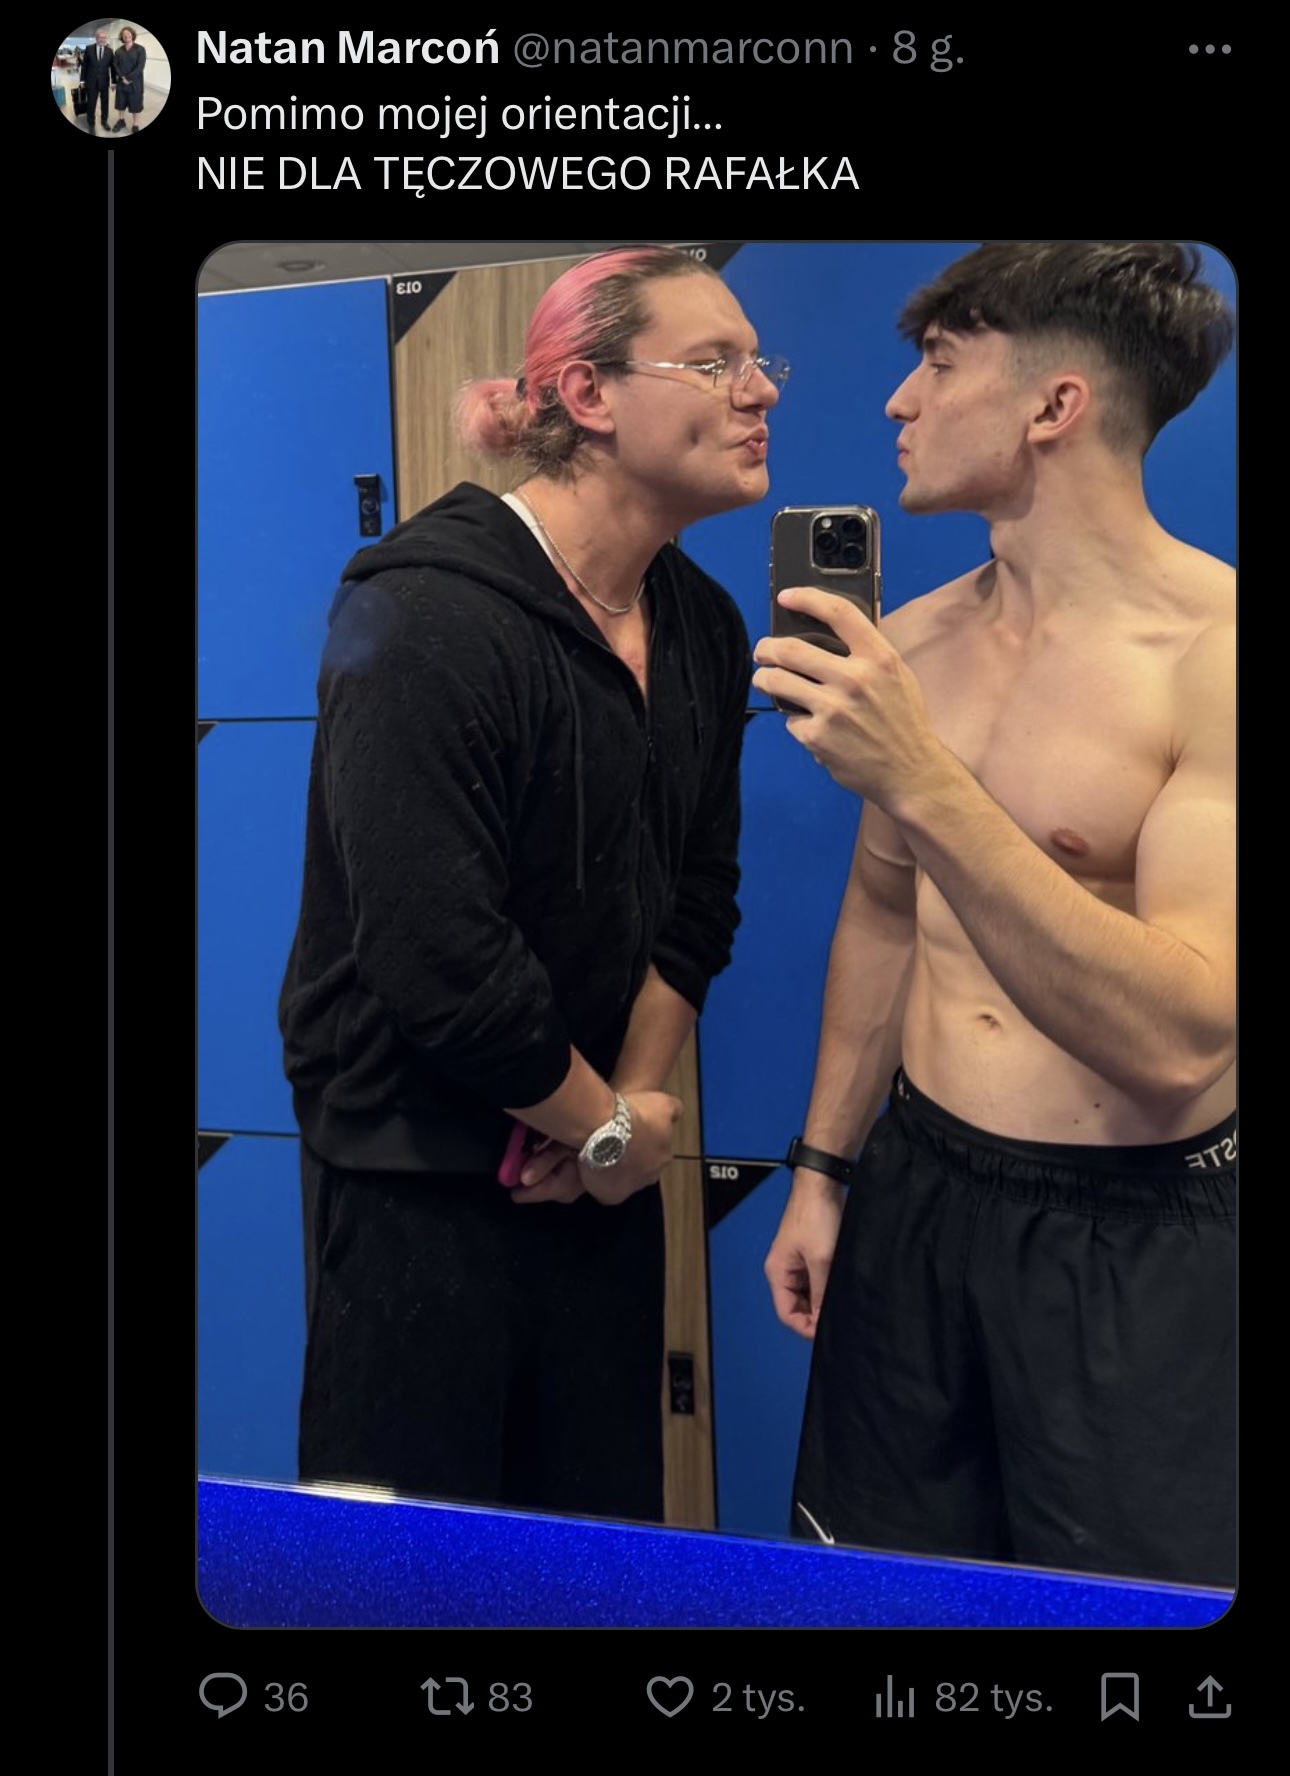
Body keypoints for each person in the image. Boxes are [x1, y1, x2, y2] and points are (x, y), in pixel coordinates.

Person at [754, 241, 1234, 1588]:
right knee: (877, 1593)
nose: (899, 400)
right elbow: (881, 909)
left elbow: (1181, 1038)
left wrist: (921, 779)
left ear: (1052, 406)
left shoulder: (1213, 660)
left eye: (939, 363)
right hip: (915, 1191)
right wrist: (822, 1169)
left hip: (1127, 1236)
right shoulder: (911, 642)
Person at [279, 246, 785, 1520]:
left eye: (757, 362)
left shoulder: (703, 625)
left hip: (596, 1178)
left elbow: (697, 896)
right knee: (411, 1580)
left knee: (592, 1557)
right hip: (421, 1182)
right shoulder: (426, 613)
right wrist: (604, 1129)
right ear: (588, 394)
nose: (761, 391)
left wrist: (630, 1118)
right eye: (714, 363)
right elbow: (435, 957)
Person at [111, 27, 145, 132]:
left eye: (128, 33)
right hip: (122, 83)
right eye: (124, 34)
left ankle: (135, 125)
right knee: (120, 104)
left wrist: (129, 78)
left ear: (132, 34)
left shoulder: (140, 49)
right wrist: (122, 77)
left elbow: (140, 66)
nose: (126, 35)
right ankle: (121, 121)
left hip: (135, 83)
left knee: (136, 104)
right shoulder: (118, 51)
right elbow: (115, 66)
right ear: (122, 37)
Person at [79, 28, 114, 132]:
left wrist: (114, 82)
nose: (102, 39)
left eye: (104, 37)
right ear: (96, 38)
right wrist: (82, 80)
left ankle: (104, 121)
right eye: (100, 37)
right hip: (91, 82)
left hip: (104, 82)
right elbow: (85, 66)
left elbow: (113, 68)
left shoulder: (110, 51)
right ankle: (91, 124)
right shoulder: (89, 49)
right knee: (91, 104)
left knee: (105, 103)